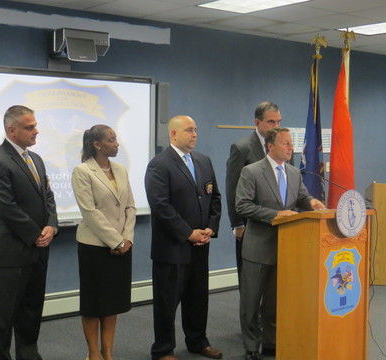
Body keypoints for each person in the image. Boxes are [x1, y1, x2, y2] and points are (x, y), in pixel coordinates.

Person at [235, 127, 325, 360]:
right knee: (251, 302)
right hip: (258, 247)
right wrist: (275, 214)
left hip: (287, 248)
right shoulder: (251, 171)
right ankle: (251, 346)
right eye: (285, 143)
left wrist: (312, 201)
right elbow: (242, 206)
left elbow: (302, 197)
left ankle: (272, 342)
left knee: (276, 301)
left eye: (290, 144)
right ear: (270, 146)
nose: (290, 148)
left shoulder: (294, 173)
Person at [0, 105, 59, 360]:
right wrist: (36, 233)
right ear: (11, 130)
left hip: (37, 253)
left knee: (31, 312)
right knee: (2, 319)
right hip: (9, 255)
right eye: (29, 127)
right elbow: (5, 206)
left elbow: (48, 196)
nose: (36, 131)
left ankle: (28, 355)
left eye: (35, 125)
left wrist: (52, 224)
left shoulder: (35, 159)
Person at [145, 115, 222, 360]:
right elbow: (161, 206)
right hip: (172, 248)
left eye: (196, 130)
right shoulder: (159, 164)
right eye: (189, 130)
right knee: (167, 302)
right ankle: (163, 350)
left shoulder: (203, 161)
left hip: (200, 245)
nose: (195, 134)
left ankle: (198, 341)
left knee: (198, 298)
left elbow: (214, 198)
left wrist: (210, 227)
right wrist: (188, 233)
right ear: (173, 134)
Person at [71, 125, 136, 360]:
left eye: (116, 139)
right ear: (97, 145)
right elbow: (90, 212)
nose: (117, 143)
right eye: (111, 140)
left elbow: (130, 206)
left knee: (112, 303)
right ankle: (93, 353)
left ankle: (108, 351)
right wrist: (116, 241)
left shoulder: (120, 169)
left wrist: (126, 238)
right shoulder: (82, 171)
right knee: (93, 304)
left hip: (122, 246)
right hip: (95, 247)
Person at [226, 101, 284, 285]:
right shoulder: (242, 148)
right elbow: (232, 188)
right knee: (250, 280)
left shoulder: (283, 148)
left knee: (275, 278)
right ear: (257, 123)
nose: (276, 126)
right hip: (251, 225)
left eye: (278, 122)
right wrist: (237, 224)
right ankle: (250, 314)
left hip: (279, 225)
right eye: (271, 122)